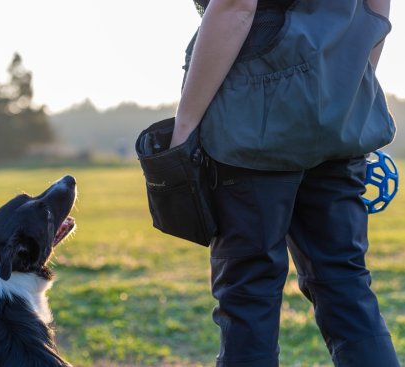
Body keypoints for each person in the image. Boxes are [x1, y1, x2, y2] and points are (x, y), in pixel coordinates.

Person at [169, 0, 399, 366]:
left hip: (252, 111)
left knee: (249, 294)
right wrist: (353, 79)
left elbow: (236, 6)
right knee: (345, 284)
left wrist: (184, 128)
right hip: (337, 101)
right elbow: (377, 5)